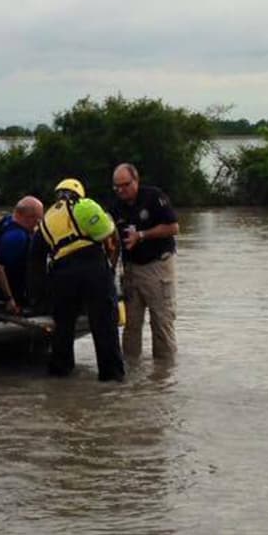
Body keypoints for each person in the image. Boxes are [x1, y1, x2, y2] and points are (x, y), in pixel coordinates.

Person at [27, 178, 125, 382]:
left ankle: (60, 373)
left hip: (62, 275)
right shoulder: (85, 206)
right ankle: (111, 377)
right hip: (93, 267)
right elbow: (108, 234)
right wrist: (111, 270)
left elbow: (35, 261)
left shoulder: (46, 219)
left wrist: (39, 299)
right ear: (79, 193)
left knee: (63, 327)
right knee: (104, 325)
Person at [110, 163, 179, 359]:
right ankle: (131, 377)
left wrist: (141, 235)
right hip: (131, 270)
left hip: (158, 266)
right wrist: (110, 271)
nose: (121, 190)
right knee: (131, 326)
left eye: (125, 185)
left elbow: (174, 227)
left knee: (161, 322)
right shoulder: (115, 207)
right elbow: (113, 241)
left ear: (136, 181)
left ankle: (164, 376)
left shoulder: (154, 197)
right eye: (117, 187)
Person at [0, 195, 44, 313]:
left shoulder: (7, 221)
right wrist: (9, 299)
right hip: (14, 295)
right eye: (38, 220)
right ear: (29, 218)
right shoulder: (17, 238)